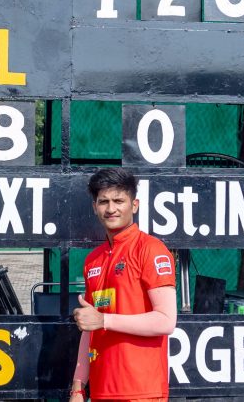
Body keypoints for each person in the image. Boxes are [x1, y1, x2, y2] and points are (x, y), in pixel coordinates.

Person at [70, 168, 177, 402]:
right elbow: (90, 327)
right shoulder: (93, 260)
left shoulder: (151, 249)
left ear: (134, 205)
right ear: (94, 207)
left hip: (142, 392)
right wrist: (78, 387)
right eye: (103, 201)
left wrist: (105, 320)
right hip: (100, 390)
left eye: (119, 200)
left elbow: (166, 320)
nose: (111, 209)